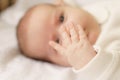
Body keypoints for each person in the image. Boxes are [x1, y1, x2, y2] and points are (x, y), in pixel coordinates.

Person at [17, 0, 120, 79]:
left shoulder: (84, 7)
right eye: (57, 41)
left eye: (61, 19)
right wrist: (89, 62)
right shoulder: (102, 59)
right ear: (55, 64)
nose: (67, 33)